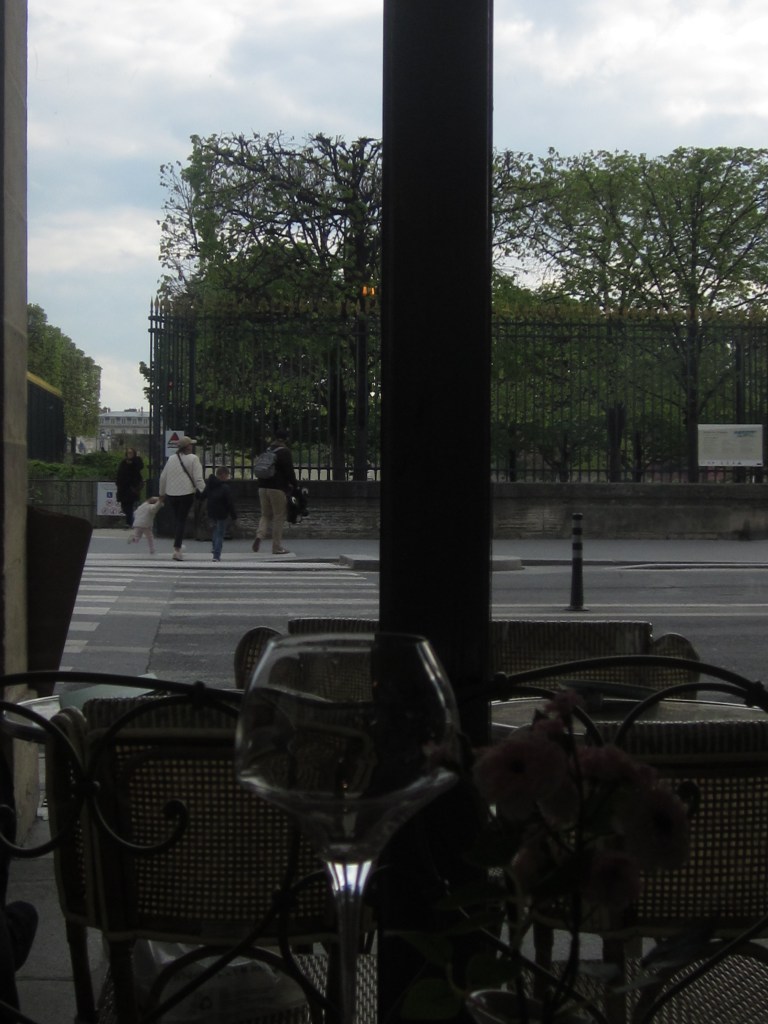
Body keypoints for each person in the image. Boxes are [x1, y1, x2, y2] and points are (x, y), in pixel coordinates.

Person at [158, 437, 205, 561]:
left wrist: (161, 493)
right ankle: (177, 548)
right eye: (191, 445)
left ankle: (177, 545)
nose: (192, 446)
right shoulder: (194, 458)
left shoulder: (171, 459)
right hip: (186, 493)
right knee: (181, 520)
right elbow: (198, 479)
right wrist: (205, 492)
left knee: (177, 519)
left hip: (171, 494)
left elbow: (163, 477)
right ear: (188, 447)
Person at [252, 428, 298, 555]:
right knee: (279, 516)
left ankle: (259, 536)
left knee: (265, 515)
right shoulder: (285, 452)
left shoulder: (267, 450)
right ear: (286, 439)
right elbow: (289, 472)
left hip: (262, 487)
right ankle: (276, 547)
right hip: (277, 488)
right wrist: (295, 485)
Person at [206, 467, 238, 562]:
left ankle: (214, 547)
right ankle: (216, 555)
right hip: (222, 513)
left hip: (211, 512)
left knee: (215, 531)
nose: (228, 477)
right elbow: (230, 503)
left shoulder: (210, 486)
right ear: (223, 475)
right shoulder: (225, 488)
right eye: (227, 475)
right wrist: (234, 516)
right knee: (220, 533)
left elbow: (202, 495)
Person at [115, 447, 144, 527]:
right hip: (123, 488)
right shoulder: (124, 462)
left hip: (132, 487)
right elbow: (120, 473)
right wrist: (118, 483)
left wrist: (134, 461)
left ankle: (129, 522)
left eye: (131, 453)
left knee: (130, 505)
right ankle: (130, 521)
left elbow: (139, 467)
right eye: (128, 453)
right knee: (124, 506)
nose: (129, 454)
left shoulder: (136, 461)